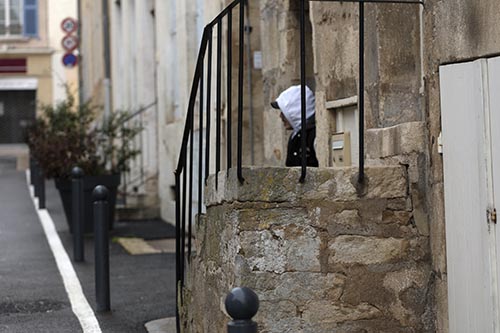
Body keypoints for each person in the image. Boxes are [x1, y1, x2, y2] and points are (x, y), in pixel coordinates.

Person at [271, 85, 319, 167]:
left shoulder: (314, 136)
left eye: (284, 113)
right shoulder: (294, 137)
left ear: (296, 112)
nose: (281, 117)